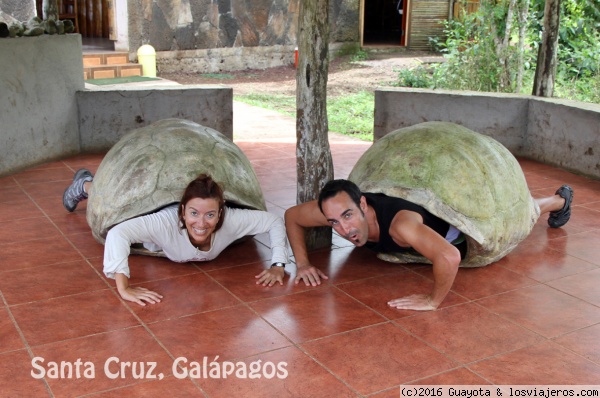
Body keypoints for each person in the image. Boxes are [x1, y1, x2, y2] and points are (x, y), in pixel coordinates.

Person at [284, 179, 573, 311]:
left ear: (362, 204)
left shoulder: (400, 226)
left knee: (520, 215)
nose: (344, 229)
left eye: (347, 216)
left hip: (457, 233)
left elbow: (448, 257)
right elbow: (292, 216)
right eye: (333, 222)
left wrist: (432, 301)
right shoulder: (335, 212)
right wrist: (304, 263)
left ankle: (559, 201)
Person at [63, 169, 290, 306]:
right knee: (113, 204)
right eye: (193, 213)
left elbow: (273, 221)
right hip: (146, 197)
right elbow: (118, 233)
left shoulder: (231, 219)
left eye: (210, 215)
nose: (201, 223)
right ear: (182, 211)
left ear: (220, 213)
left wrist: (279, 263)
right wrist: (124, 287)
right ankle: (85, 184)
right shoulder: (163, 223)